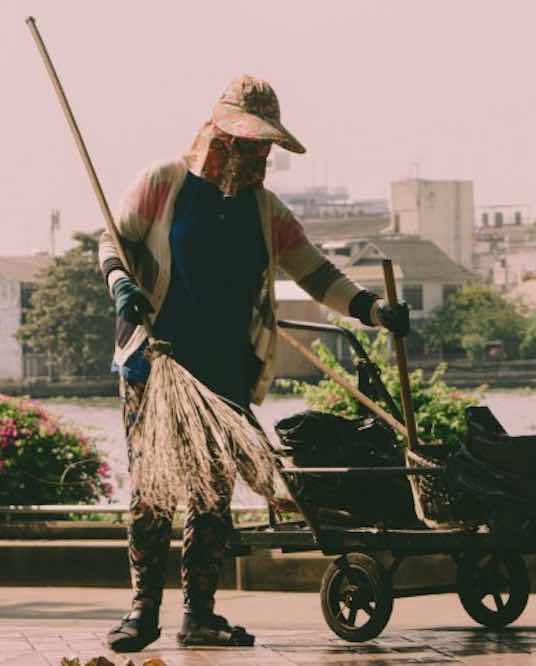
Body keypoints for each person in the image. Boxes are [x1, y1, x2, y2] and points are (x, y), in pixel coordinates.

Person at [99, 75, 409, 652]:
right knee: (152, 489)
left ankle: (200, 614)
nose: (257, 156)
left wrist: (372, 309)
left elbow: (316, 274)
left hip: (224, 371)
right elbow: (113, 242)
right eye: (247, 143)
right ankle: (142, 612)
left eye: (263, 146)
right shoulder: (162, 184)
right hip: (155, 366)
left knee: (212, 495)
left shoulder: (266, 211)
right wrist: (121, 285)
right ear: (218, 137)